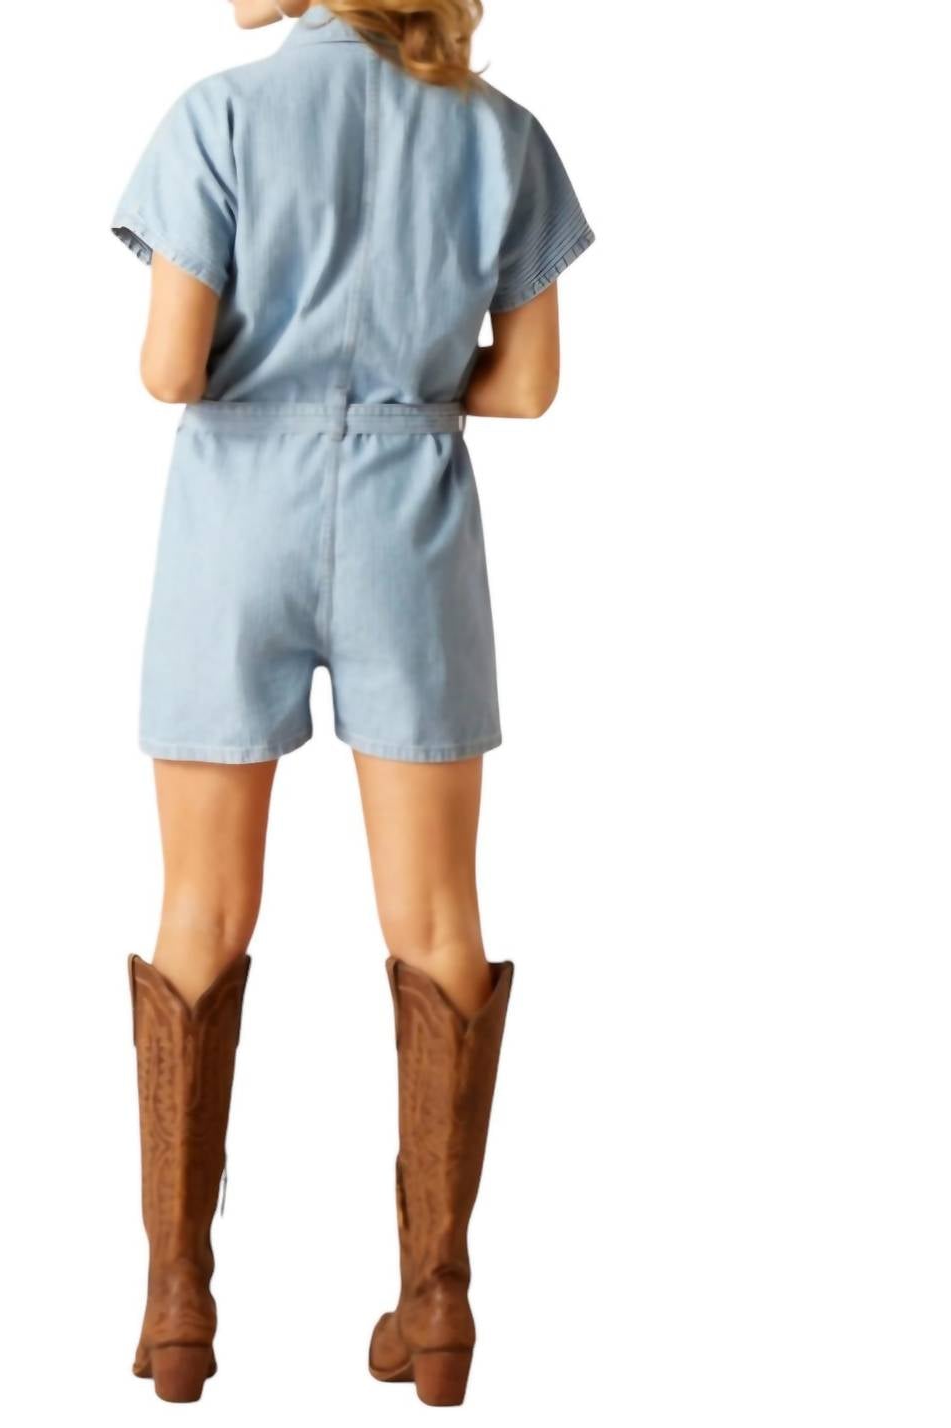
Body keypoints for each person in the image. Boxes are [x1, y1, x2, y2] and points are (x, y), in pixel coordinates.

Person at [111, 0, 594, 1406]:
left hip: (234, 519)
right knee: (439, 915)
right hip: (410, 514)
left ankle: (178, 1299)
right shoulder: (499, 134)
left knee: (201, 906)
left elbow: (170, 367)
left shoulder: (219, 114)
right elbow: (532, 386)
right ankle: (436, 1301)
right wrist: (409, 386)